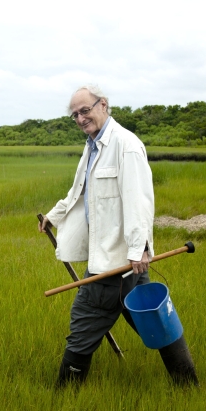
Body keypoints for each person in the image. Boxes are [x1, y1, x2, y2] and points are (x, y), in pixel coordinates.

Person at [38, 85, 156, 387]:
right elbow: (80, 192)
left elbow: (137, 200)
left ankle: (63, 397)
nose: (80, 118)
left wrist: (139, 248)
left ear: (103, 105)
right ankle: (187, 383)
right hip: (120, 261)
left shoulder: (125, 145)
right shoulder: (93, 146)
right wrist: (56, 214)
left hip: (114, 263)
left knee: (83, 322)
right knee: (153, 322)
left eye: (85, 110)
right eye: (74, 114)